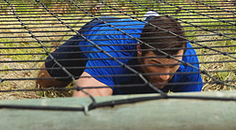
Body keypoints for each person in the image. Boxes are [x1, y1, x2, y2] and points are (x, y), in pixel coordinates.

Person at [36, 12, 203, 96]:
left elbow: (196, 112)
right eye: (156, 64)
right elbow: (85, 105)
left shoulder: (187, 60)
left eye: (173, 66)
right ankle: (84, 66)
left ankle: (151, 20)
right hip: (96, 33)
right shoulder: (110, 50)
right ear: (140, 50)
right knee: (43, 83)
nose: (165, 76)